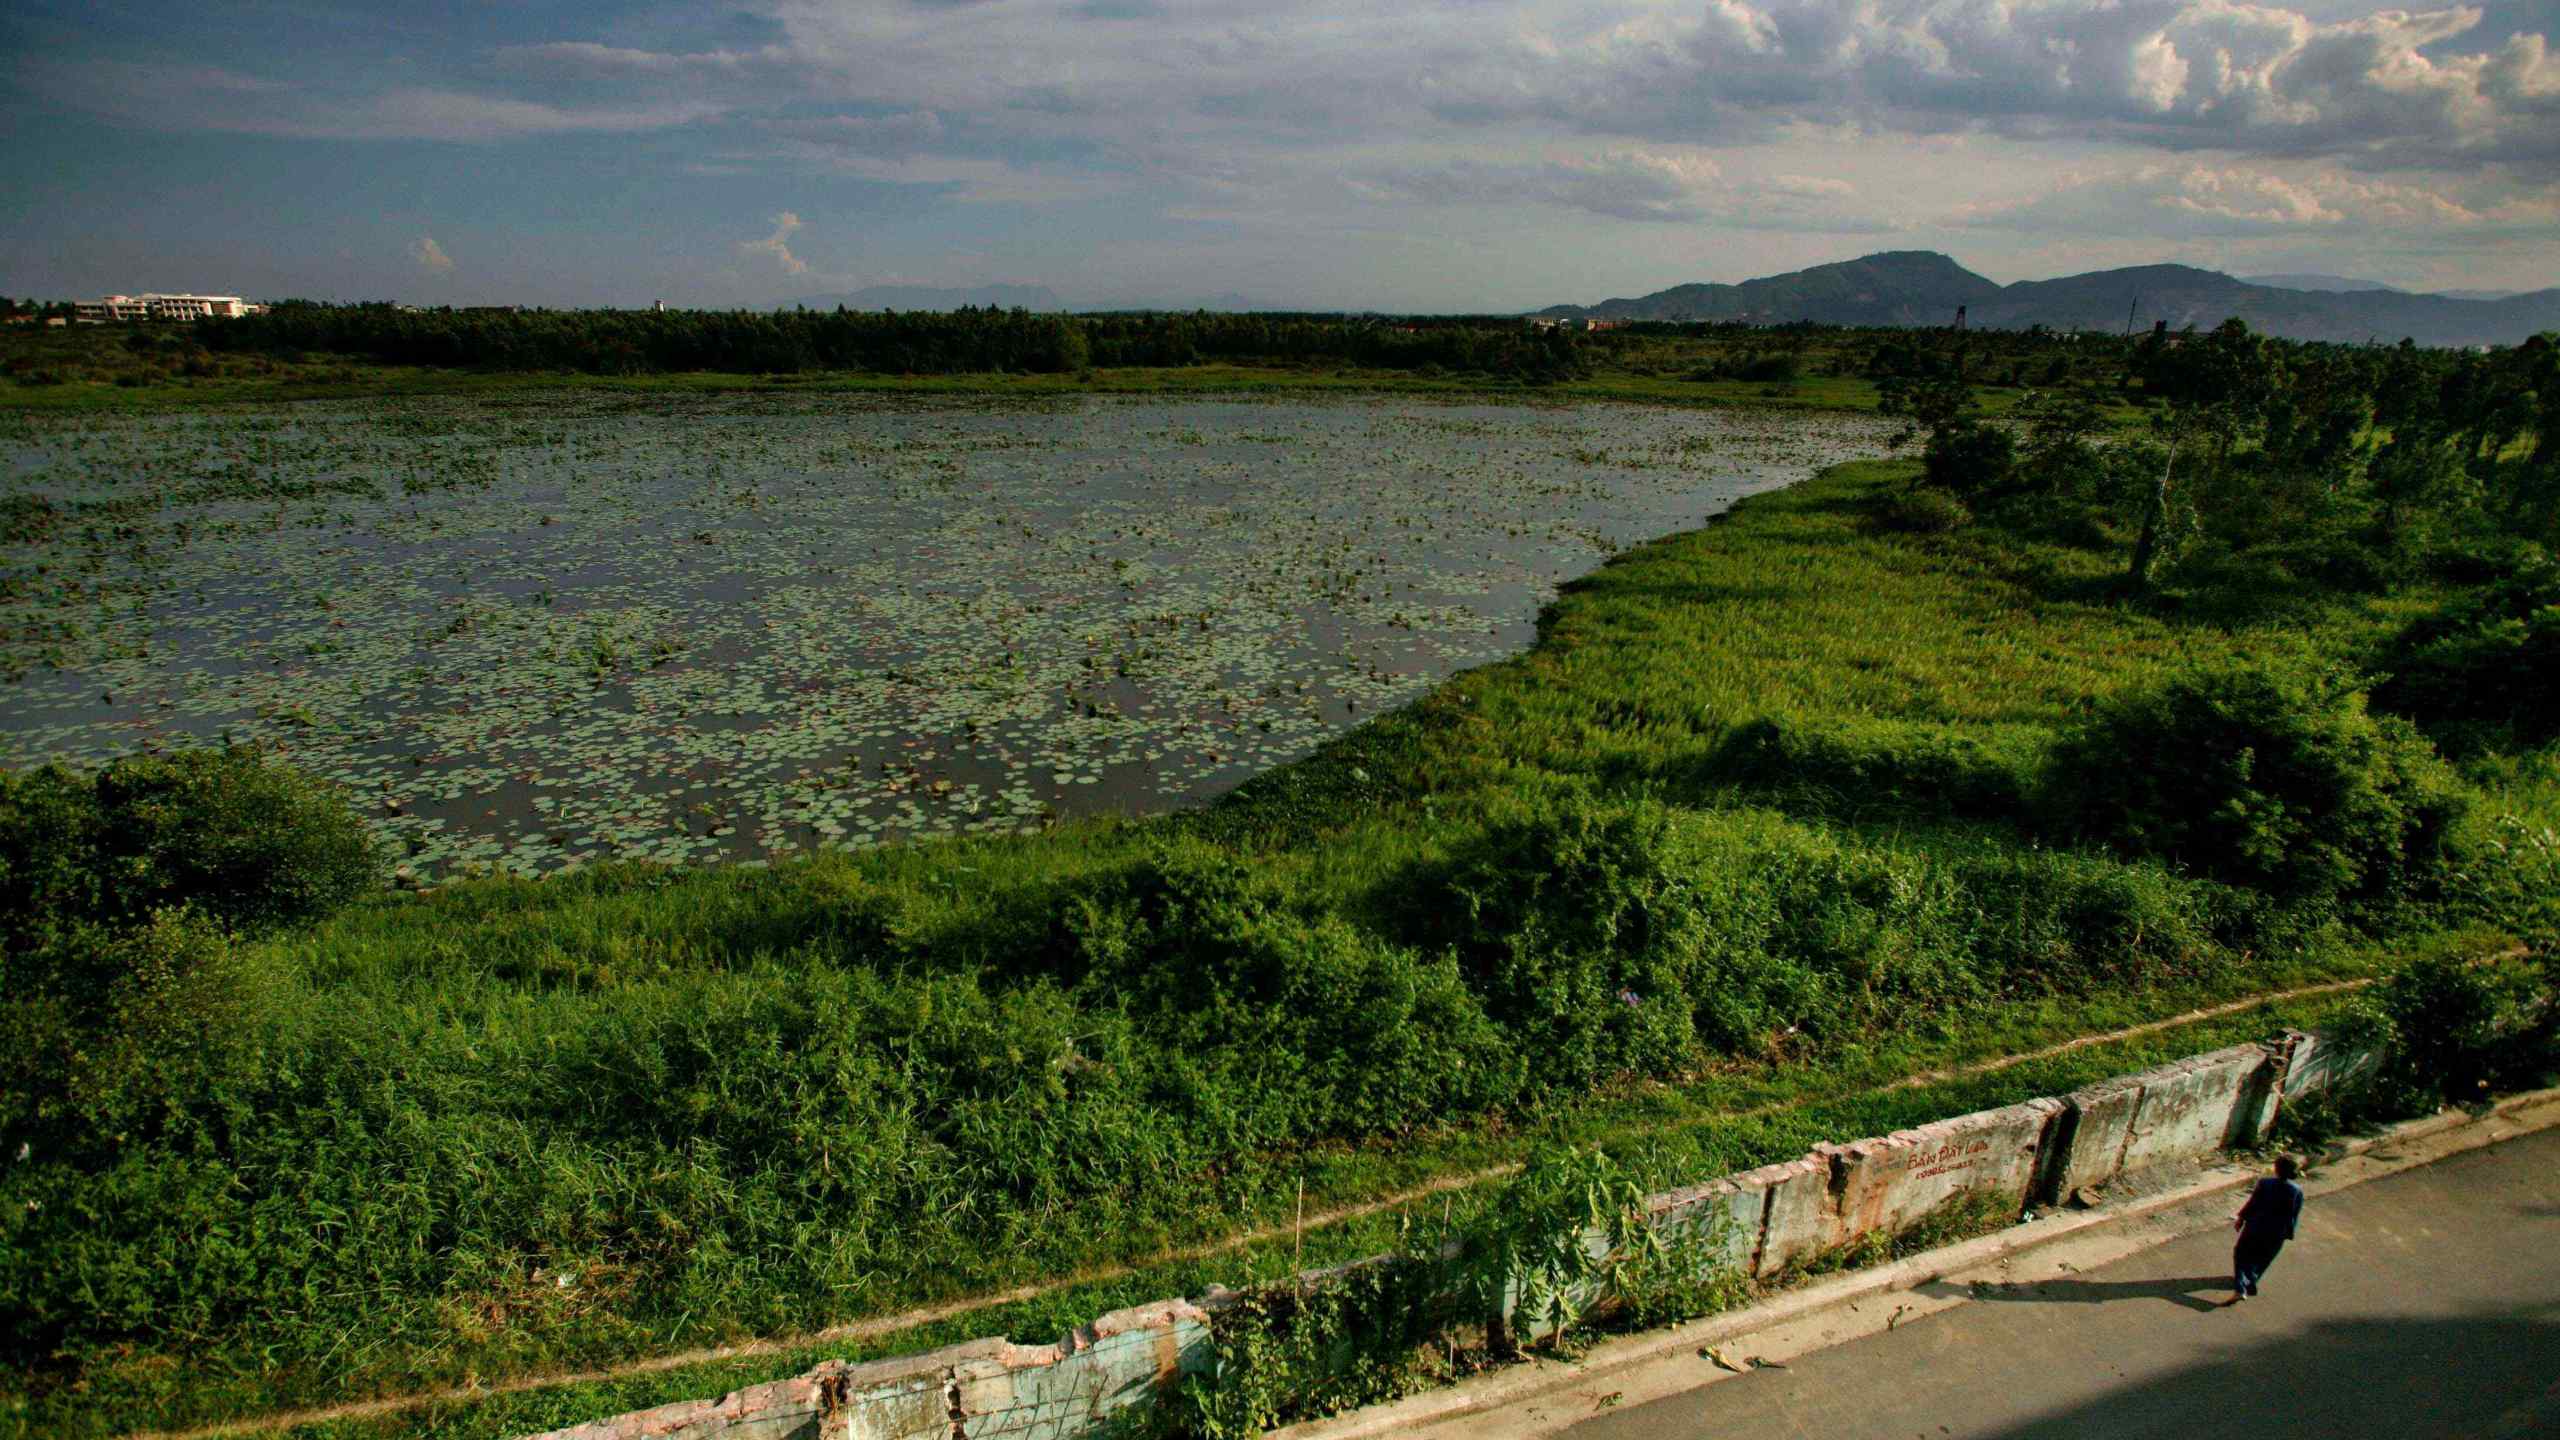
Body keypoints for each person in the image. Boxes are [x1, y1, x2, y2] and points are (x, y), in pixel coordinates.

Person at [2230, 1155, 2304, 1301]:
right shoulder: (2296, 1191)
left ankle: (2240, 1287)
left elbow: (2253, 1203)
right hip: (2277, 1232)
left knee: (2241, 1253)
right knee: (2263, 1258)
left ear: (2276, 1169)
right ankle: (2250, 1279)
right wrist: (2288, 1233)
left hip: (2255, 1226)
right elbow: (2294, 1215)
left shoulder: (2265, 1183)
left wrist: (2241, 1218)